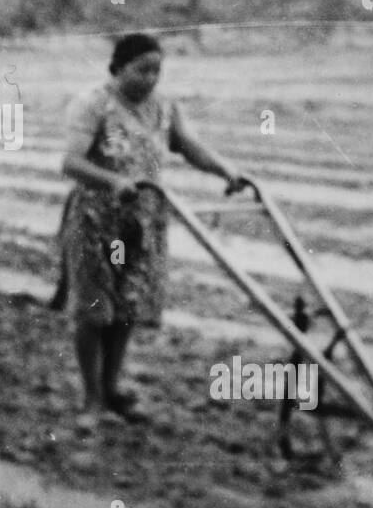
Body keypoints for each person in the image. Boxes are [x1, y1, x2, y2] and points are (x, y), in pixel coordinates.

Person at [53, 32, 248, 429]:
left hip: (143, 221)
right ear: (119, 67)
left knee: (128, 309)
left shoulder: (163, 107)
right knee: (94, 312)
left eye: (156, 71)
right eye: (142, 70)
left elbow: (188, 145)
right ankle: (92, 400)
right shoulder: (94, 103)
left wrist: (226, 170)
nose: (150, 78)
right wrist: (112, 181)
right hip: (97, 220)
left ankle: (112, 389)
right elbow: (71, 163)